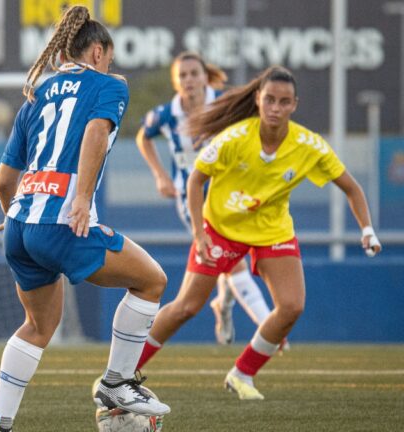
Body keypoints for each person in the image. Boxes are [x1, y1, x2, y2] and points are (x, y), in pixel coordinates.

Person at [136, 66, 382, 400]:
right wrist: (199, 233)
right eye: (269, 100)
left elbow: (352, 188)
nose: (276, 108)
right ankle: (122, 373)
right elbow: (195, 180)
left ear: (295, 105)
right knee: (186, 307)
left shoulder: (309, 145)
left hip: (272, 232)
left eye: (284, 101)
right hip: (221, 228)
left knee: (292, 306)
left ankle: (242, 374)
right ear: (257, 99)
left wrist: (367, 229)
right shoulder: (234, 138)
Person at [0, 6, 170, 432]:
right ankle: (117, 382)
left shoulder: (37, 94)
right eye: (111, 56)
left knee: (37, 326)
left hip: (20, 227)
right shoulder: (109, 85)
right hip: (63, 222)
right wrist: (82, 199)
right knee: (151, 280)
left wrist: (12, 213)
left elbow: (3, 178)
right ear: (99, 51)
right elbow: (95, 133)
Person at [135, 51, 276, 349]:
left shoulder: (223, 102)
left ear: (204, 76)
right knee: (229, 262)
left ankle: (223, 303)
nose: (189, 80)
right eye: (182, 75)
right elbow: (142, 137)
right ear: (175, 82)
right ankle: (271, 333)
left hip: (231, 193)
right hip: (193, 198)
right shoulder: (166, 114)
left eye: (193, 73)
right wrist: (160, 175)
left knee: (231, 257)